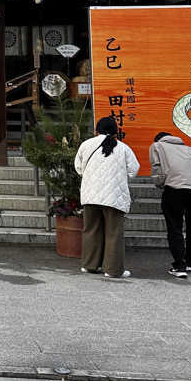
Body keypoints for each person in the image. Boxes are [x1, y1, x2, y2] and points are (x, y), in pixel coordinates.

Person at [74, 115, 139, 279]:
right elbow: (134, 170)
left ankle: (89, 265)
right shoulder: (123, 148)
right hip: (114, 197)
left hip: (90, 195)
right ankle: (113, 269)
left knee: (90, 230)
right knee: (113, 233)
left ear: (96, 130)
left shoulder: (86, 145)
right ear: (116, 133)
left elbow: (79, 167)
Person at [149, 131, 191, 278]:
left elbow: (157, 167)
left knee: (174, 225)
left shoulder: (157, 146)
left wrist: (160, 184)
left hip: (174, 187)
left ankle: (179, 265)